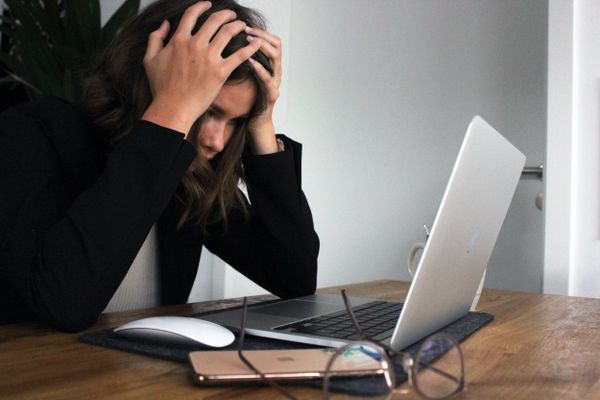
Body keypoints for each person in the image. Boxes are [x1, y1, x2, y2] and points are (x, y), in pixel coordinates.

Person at [0, 0, 319, 332]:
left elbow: (294, 278)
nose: (216, 142)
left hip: (145, 380)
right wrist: (171, 111)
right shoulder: (29, 135)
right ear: (148, 78)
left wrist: (261, 124)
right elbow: (64, 304)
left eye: (235, 121)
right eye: (207, 110)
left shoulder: (189, 176)